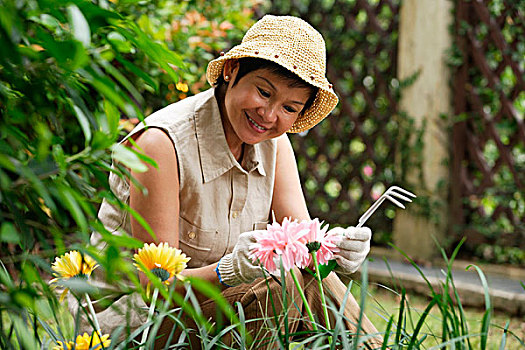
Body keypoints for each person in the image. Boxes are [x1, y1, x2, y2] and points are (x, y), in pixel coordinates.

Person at [92, 14, 382, 348]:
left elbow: (304, 252)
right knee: (280, 286)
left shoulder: (275, 145)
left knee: (308, 276)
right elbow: (155, 287)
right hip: (135, 325)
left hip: (218, 313)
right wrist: (228, 270)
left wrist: (332, 251)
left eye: (289, 107)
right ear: (232, 71)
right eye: (263, 92)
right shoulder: (161, 144)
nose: (269, 115)